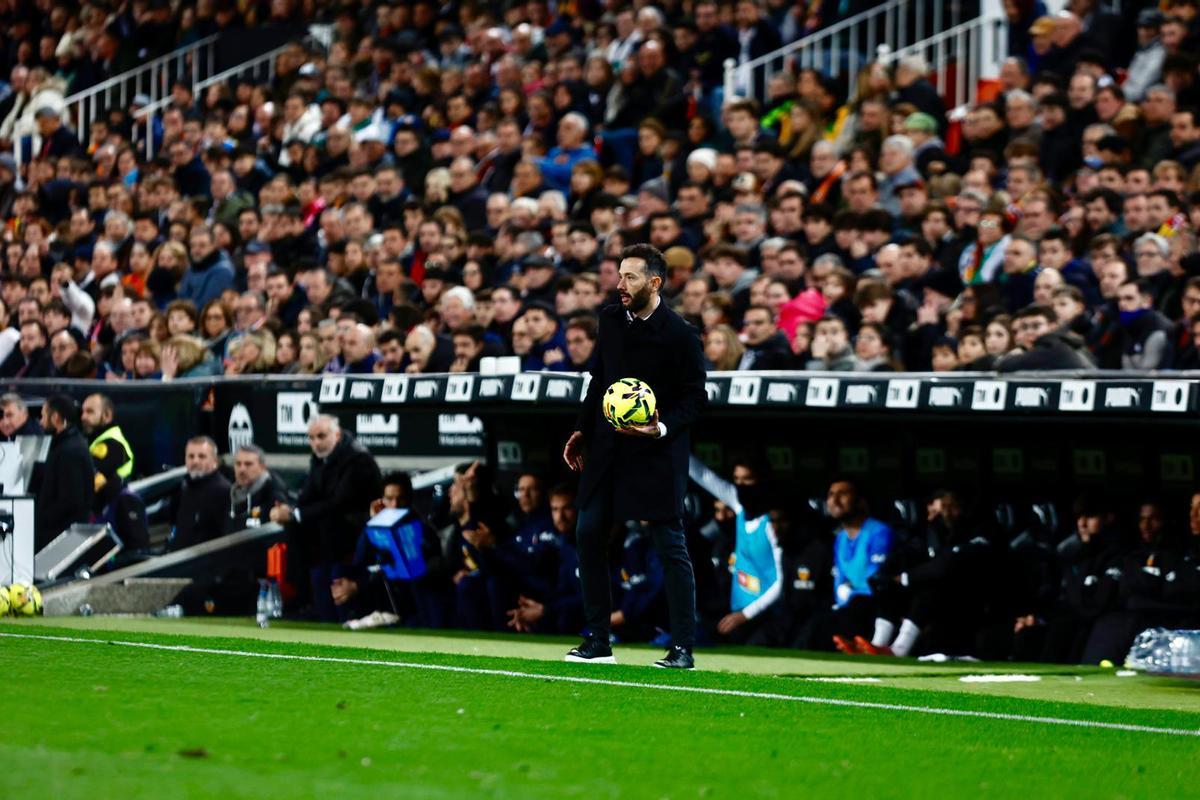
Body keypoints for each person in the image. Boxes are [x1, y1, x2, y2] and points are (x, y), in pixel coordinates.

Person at [562, 243, 706, 668]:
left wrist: (660, 427)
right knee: (588, 533)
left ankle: (682, 647)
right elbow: (598, 380)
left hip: (656, 451)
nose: (620, 285)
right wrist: (580, 430)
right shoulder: (609, 319)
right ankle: (598, 639)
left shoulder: (681, 334)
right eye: (619, 276)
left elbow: (696, 398)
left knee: (669, 544)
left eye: (630, 277)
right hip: (607, 448)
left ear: (655, 282)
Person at [269, 415, 382, 622]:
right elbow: (308, 496)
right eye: (311, 438)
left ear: (337, 435)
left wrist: (295, 514)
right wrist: (289, 510)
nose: (316, 443)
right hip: (325, 543)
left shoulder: (358, 460)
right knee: (305, 546)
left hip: (352, 538)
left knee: (323, 536)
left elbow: (339, 503)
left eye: (321, 436)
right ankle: (306, 605)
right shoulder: (321, 459)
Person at [33, 394, 94, 550]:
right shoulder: (65, 446)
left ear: (55, 418)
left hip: (60, 541)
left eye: (43, 416)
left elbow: (70, 501)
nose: (40, 422)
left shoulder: (70, 451)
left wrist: (41, 518)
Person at [169, 436, 232, 551]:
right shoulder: (184, 488)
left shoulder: (223, 491)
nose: (195, 461)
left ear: (214, 461)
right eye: (191, 456)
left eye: (202, 456)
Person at [79, 393, 134, 515]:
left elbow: (89, 481)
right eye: (83, 412)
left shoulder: (111, 444)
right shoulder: (97, 440)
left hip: (111, 516)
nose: (83, 417)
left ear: (107, 415)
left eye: (90, 412)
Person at [227, 444, 289, 532]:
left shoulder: (274, 495)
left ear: (263, 467)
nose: (242, 469)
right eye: (238, 464)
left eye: (248, 464)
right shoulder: (229, 493)